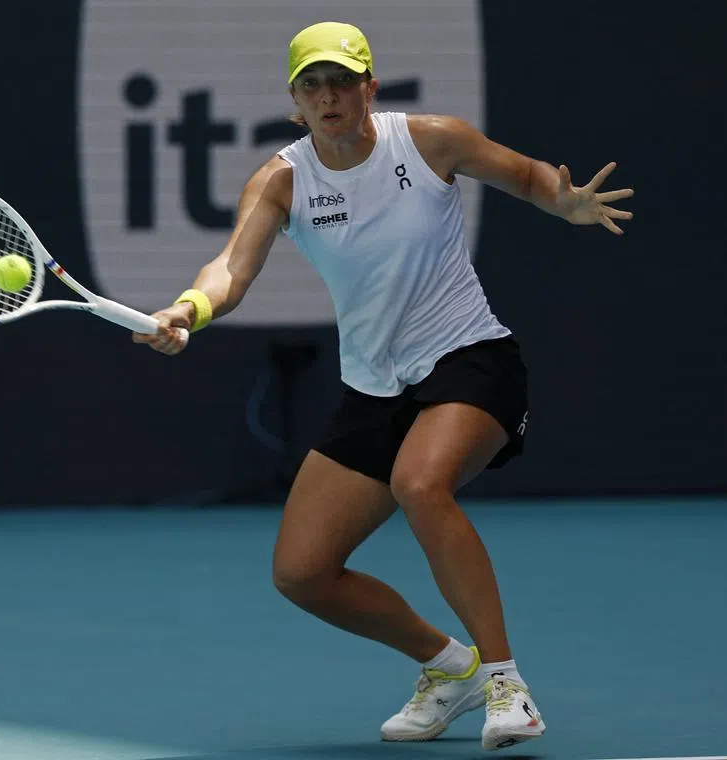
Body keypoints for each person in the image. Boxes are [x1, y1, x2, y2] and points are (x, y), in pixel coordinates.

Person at [133, 21, 633, 751]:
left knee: (420, 483)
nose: (329, 96)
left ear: (370, 87)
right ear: (294, 101)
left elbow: (525, 175)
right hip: (375, 389)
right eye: (313, 85)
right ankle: (448, 668)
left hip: (471, 359)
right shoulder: (283, 179)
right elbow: (231, 270)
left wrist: (567, 203)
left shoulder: (431, 141)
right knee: (302, 572)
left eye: (342, 81)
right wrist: (189, 309)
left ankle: (506, 685)